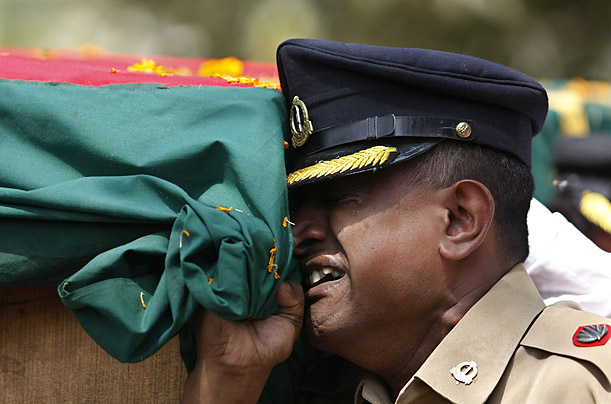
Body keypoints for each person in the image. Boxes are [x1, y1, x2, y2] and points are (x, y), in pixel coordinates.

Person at [182, 39, 611, 403]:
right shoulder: (327, 388)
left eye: (341, 196)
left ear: (459, 220)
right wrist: (227, 384)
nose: (300, 231)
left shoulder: (583, 385)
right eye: (296, 207)